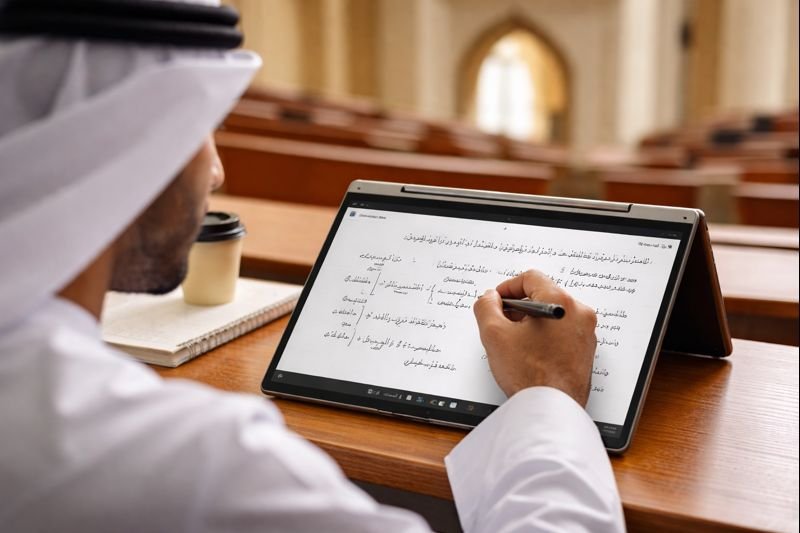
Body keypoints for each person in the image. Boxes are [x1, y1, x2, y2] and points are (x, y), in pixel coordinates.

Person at [0, 1, 625, 531]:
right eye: (202, 129)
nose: (216, 171)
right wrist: (548, 394)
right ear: (109, 142)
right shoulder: (196, 469)